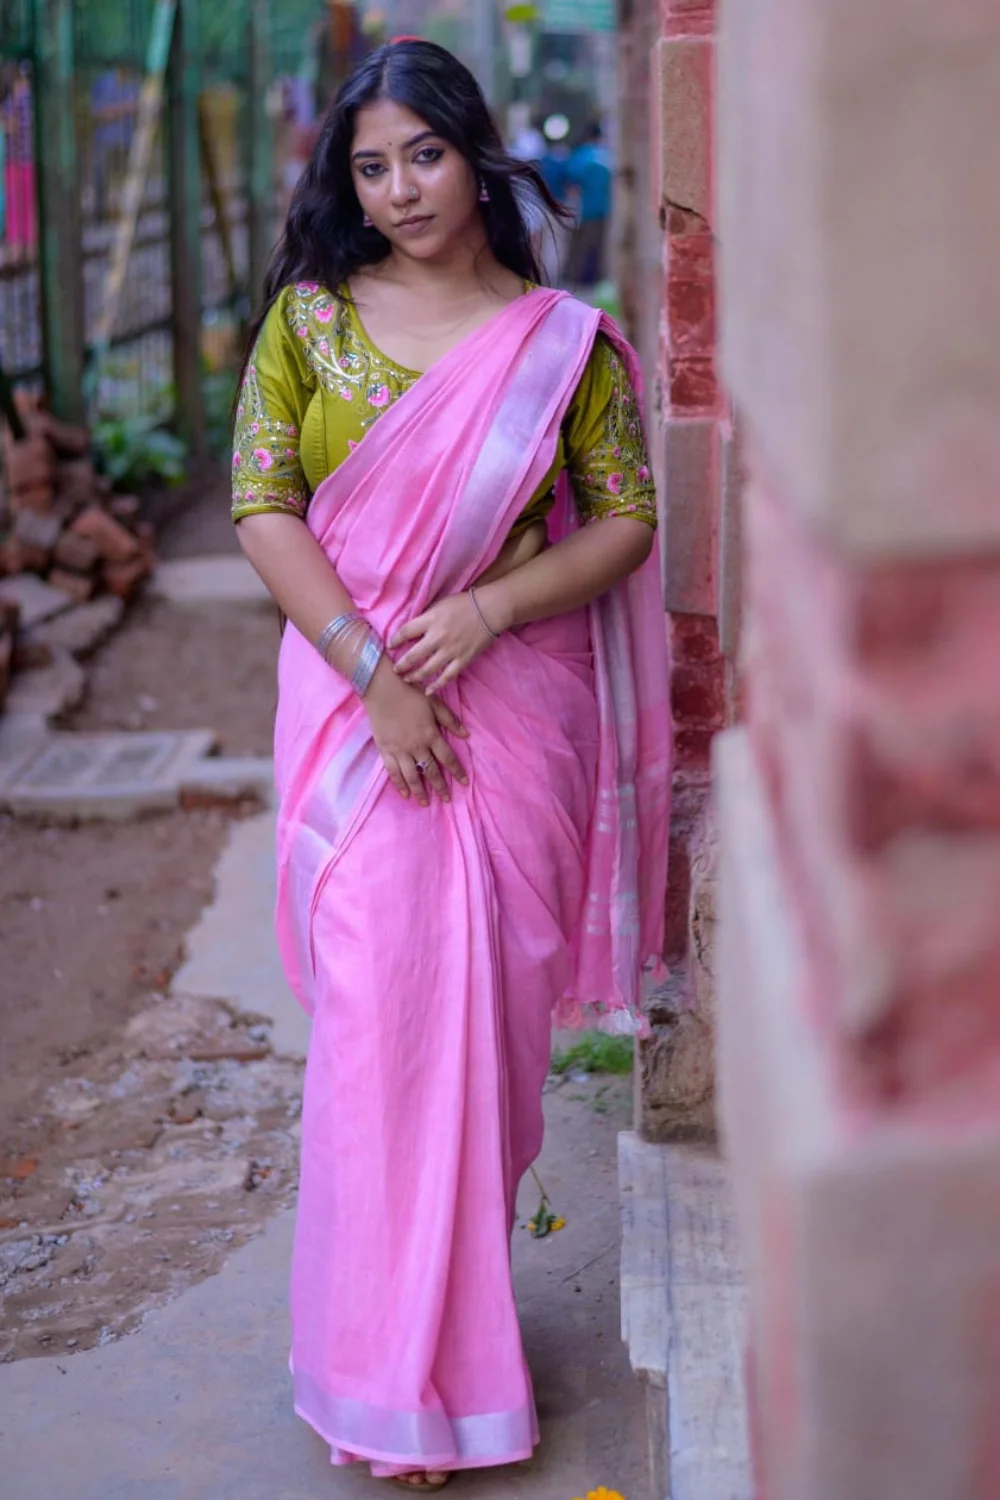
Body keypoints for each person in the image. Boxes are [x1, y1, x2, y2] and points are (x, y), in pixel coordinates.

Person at [232, 38, 671, 1488]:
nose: (400, 187)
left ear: (476, 156)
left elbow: (624, 518)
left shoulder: (564, 340)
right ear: (345, 181)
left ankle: (455, 1357)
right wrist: (377, 677)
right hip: (368, 725)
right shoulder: (312, 320)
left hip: (520, 719)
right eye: (371, 164)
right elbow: (263, 505)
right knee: (379, 1036)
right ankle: (380, 1375)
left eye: (423, 154)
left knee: (481, 1052)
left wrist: (484, 609)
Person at [565, 121, 613, 290]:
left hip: (584, 209)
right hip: (604, 208)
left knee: (580, 247)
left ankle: (578, 280)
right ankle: (595, 279)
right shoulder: (607, 156)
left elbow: (571, 184)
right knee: (598, 246)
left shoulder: (580, 156)